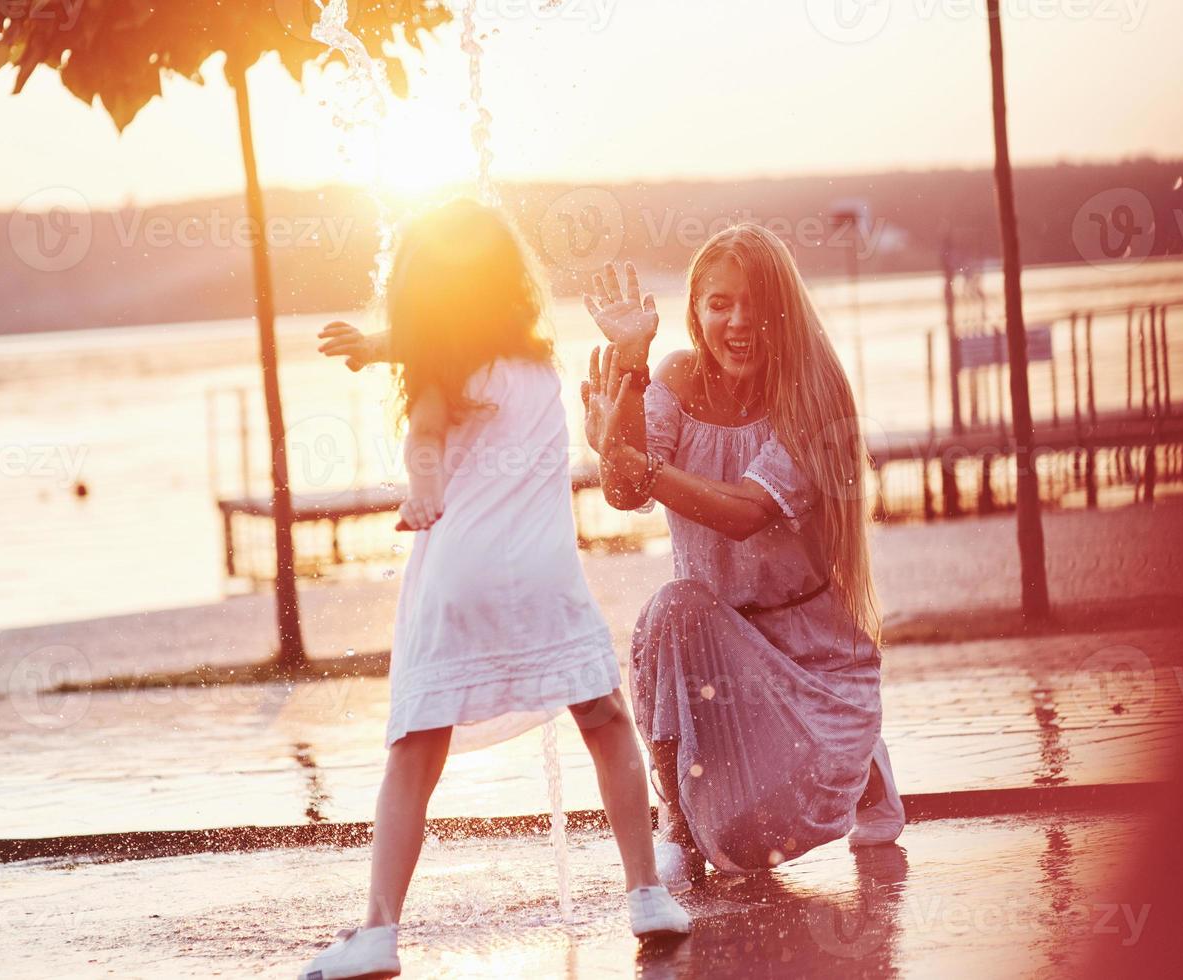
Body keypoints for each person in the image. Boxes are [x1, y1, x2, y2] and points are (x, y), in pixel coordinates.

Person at [301, 200, 689, 980]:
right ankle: (645, 891)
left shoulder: (439, 366)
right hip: (540, 573)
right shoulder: (536, 364)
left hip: (459, 575)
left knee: (414, 752)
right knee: (605, 721)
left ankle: (379, 932)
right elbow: (457, 411)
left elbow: (425, 430)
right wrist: (627, 355)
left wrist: (423, 486)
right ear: (508, 280)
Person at [579, 225, 905, 895]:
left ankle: (858, 761)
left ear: (782, 307)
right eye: (719, 303)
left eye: (755, 302)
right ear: (694, 310)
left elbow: (744, 513)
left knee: (776, 817)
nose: (739, 321)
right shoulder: (670, 376)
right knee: (670, 611)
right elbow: (619, 491)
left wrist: (634, 463)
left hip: (803, 645)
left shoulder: (813, 393)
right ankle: (675, 825)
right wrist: (629, 380)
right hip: (710, 639)